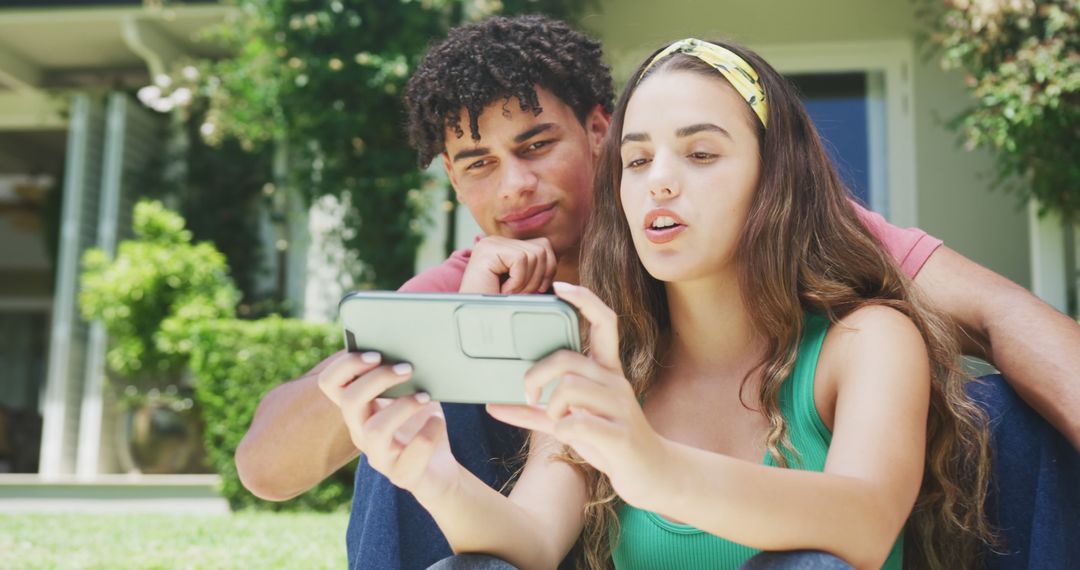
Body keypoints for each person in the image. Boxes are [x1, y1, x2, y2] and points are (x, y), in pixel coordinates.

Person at [234, 15, 1080, 570]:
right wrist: (423, 463)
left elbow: (996, 322)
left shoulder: (855, 319)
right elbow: (274, 467)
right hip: (582, 481)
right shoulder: (567, 335)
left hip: (806, 496)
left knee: (984, 419)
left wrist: (643, 459)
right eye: (479, 165)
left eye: (702, 154)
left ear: (594, 136)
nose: (516, 186)